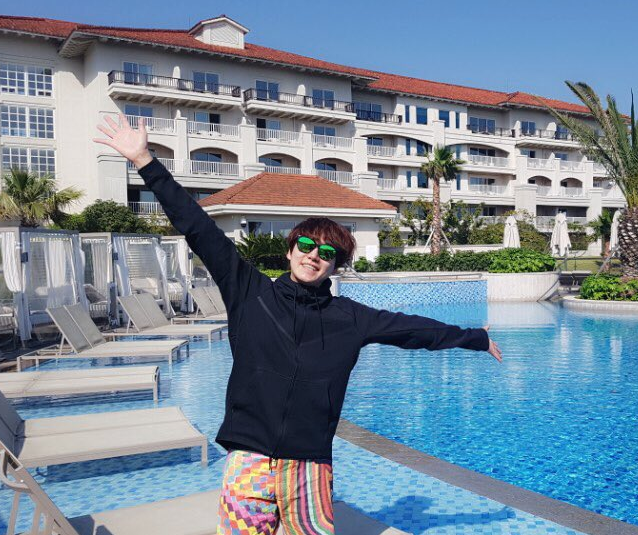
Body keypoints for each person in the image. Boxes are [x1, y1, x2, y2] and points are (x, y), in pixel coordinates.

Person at [94, 114, 502, 535]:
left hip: (310, 464)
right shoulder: (249, 293)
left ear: (335, 265)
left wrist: (474, 337)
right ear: (290, 251)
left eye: (326, 253)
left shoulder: (351, 318)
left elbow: (412, 330)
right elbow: (197, 227)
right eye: (306, 245)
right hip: (250, 458)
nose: (314, 256)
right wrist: (144, 161)